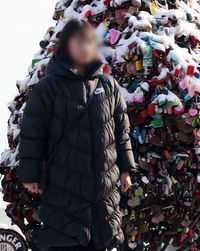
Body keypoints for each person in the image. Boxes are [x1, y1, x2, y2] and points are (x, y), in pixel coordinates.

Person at [18, 19, 135, 251]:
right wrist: (29, 175)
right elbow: (32, 133)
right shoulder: (48, 87)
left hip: (104, 188)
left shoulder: (108, 86)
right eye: (78, 42)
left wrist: (125, 170)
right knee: (67, 240)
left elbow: (122, 132)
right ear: (65, 46)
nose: (84, 48)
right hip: (64, 187)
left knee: (102, 240)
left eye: (89, 42)